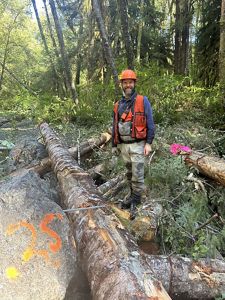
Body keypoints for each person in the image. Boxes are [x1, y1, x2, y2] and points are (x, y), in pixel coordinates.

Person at [112, 69, 155, 219]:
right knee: (129, 173)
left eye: (130, 82)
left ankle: (136, 202)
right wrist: (114, 145)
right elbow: (114, 125)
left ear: (134, 83)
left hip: (138, 144)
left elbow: (150, 122)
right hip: (123, 145)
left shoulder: (143, 101)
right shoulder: (118, 105)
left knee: (137, 174)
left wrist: (148, 143)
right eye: (125, 82)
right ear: (122, 85)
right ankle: (132, 196)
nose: (128, 85)